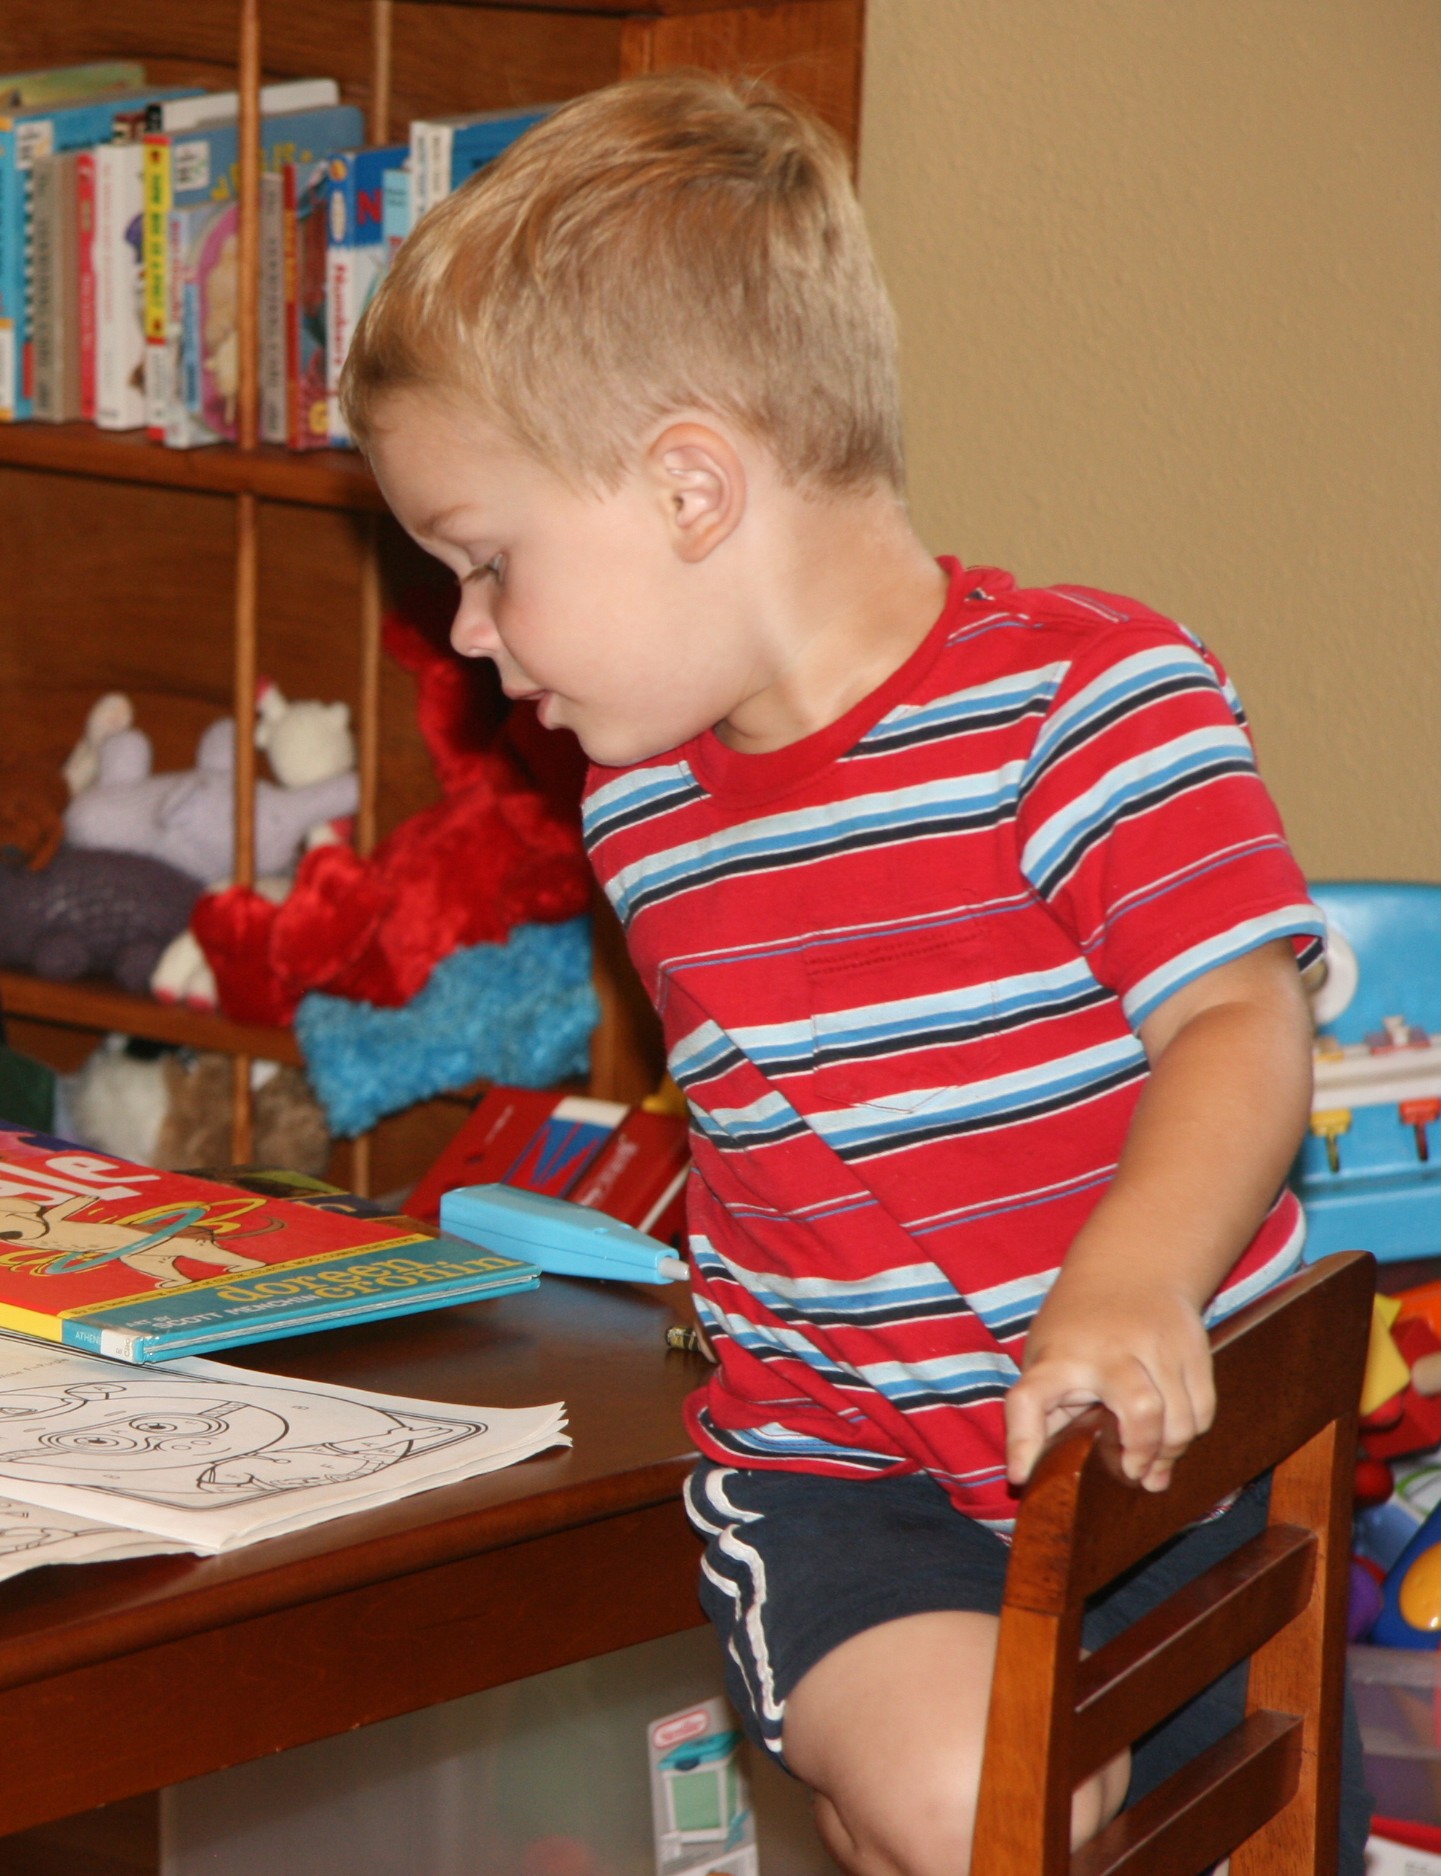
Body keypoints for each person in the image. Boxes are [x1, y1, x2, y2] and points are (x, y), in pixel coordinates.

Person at [340, 71, 1368, 1874]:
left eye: (485, 564)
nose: (473, 633)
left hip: (1173, 1466)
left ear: (689, 486)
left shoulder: (1088, 701)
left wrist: (1127, 1279)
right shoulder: (643, 807)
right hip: (853, 1482)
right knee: (976, 1805)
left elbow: (1240, 1017)